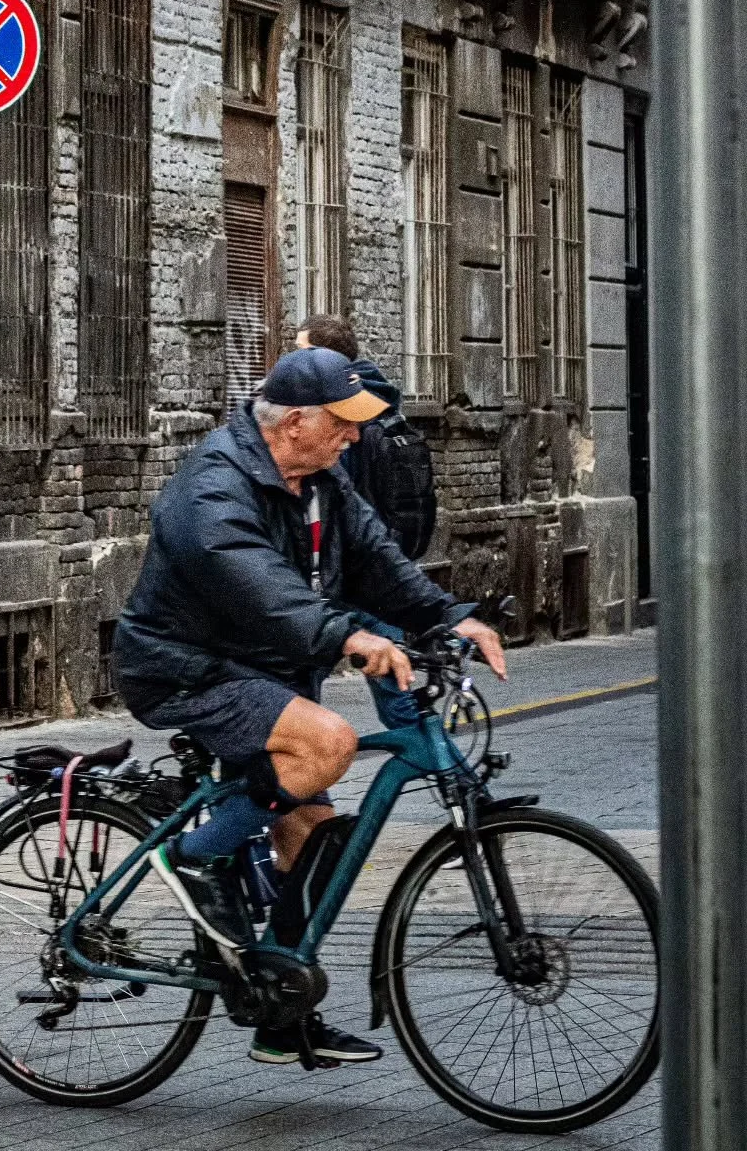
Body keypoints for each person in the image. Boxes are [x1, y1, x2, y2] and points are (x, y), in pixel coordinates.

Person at [114, 347, 507, 1066]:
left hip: (267, 672)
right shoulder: (213, 486)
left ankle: (278, 1011)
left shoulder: (321, 478)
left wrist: (449, 617)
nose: (354, 436)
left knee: (318, 837)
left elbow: (379, 561)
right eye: (343, 423)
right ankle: (195, 859)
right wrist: (347, 637)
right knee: (327, 743)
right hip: (185, 671)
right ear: (295, 422)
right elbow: (259, 587)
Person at [295, 314, 438, 729]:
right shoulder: (384, 401)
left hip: (344, 570)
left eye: (302, 351)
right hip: (378, 563)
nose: (294, 359)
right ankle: (450, 773)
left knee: (302, 677)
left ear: (325, 358)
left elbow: (337, 496)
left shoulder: (342, 414)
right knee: (396, 686)